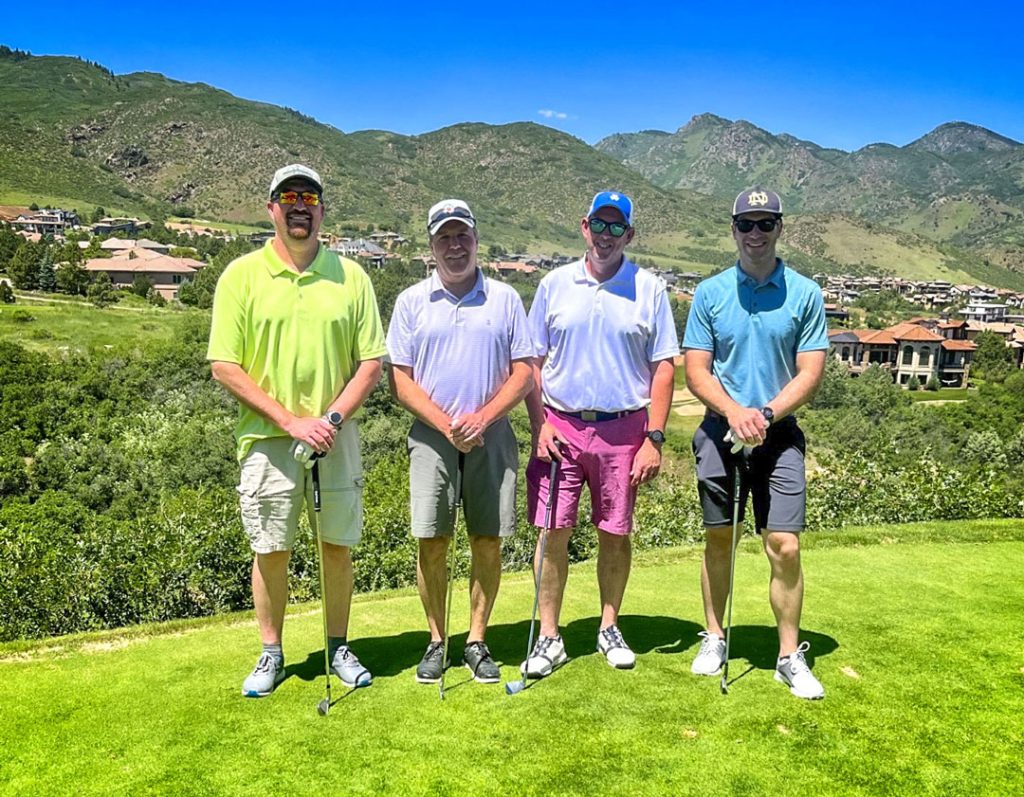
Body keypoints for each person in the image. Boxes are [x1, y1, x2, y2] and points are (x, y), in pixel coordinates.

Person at [208, 164, 387, 697]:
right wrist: (291, 422)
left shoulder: (351, 277)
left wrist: (328, 420)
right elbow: (225, 365)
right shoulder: (240, 275)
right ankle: (271, 653)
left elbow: (371, 363)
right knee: (271, 547)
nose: (299, 204)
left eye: (309, 195)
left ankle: (339, 647)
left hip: (338, 432)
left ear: (322, 209)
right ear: (272, 209)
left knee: (337, 545)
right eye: (288, 196)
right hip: (268, 438)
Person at [522, 191, 678, 677]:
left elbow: (664, 367)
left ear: (629, 235)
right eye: (599, 225)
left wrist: (654, 438)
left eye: (617, 228)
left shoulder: (649, 288)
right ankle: (549, 636)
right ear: (584, 227)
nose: (606, 236)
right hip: (561, 425)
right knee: (552, 533)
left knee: (615, 532)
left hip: (624, 430)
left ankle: (609, 625)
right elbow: (532, 363)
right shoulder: (553, 284)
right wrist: (539, 424)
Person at [683, 187, 829, 699]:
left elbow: (811, 372)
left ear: (779, 228)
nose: (755, 233)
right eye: (746, 224)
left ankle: (789, 656)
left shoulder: (805, 293)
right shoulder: (710, 292)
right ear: (733, 229)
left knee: (783, 545)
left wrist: (765, 414)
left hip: (779, 432)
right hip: (719, 429)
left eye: (765, 223)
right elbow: (695, 370)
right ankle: (715, 637)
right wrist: (735, 412)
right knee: (719, 540)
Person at [387, 199, 533, 684]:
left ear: (476, 239)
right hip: (432, 438)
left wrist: (483, 417)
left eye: (462, 235)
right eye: (444, 237)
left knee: (487, 539)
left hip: (491, 436)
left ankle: (475, 639)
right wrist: (448, 423)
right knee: (432, 539)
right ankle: (435, 639)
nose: (455, 245)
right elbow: (400, 381)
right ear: (431, 245)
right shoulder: (411, 302)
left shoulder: (505, 299)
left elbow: (524, 373)